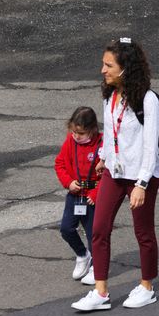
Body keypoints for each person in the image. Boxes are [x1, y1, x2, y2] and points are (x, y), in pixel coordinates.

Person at [72, 38, 159, 311]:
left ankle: (147, 286)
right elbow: (112, 136)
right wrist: (103, 159)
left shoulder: (149, 101)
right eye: (103, 64)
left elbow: (151, 146)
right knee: (99, 230)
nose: (103, 70)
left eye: (108, 65)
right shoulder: (110, 96)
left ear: (126, 68)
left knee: (143, 232)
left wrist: (142, 184)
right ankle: (101, 292)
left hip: (140, 176)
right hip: (114, 172)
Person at [54, 106, 102, 284]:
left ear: (92, 129)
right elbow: (59, 163)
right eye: (74, 131)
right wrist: (68, 182)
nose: (76, 136)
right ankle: (82, 255)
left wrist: (96, 193)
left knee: (93, 234)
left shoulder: (101, 145)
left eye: (81, 133)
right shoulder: (70, 141)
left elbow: (108, 173)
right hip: (75, 193)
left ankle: (97, 266)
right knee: (66, 229)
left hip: (91, 195)